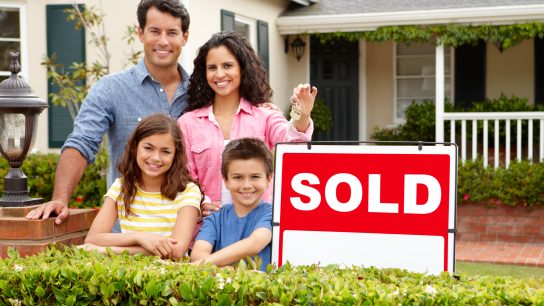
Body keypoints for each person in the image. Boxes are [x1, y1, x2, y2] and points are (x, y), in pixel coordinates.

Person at [26, 0, 191, 224]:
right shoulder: (111, 89)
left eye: (172, 32)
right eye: (155, 31)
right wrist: (60, 199)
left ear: (184, 37)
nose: (163, 41)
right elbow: (82, 142)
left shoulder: (201, 93)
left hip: (190, 235)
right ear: (141, 34)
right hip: (126, 236)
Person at [178, 31, 318, 214]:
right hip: (208, 230)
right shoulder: (188, 123)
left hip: (257, 229)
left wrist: (302, 113)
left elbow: (294, 144)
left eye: (227, 65)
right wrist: (200, 203)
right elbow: (185, 178)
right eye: (212, 67)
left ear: (242, 69)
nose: (219, 74)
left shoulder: (265, 115)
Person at [80, 114, 201, 258]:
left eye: (165, 151)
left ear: (176, 155)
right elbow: (93, 238)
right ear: (135, 147)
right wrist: (140, 237)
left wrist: (110, 250)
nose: (156, 158)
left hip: (169, 276)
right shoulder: (122, 186)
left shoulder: (188, 191)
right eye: (148, 148)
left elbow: (176, 251)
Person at [190, 137, 273, 271]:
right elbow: (198, 254)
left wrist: (197, 266)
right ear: (226, 181)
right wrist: (221, 270)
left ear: (268, 179)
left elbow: (255, 244)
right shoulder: (216, 216)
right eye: (238, 177)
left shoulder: (271, 213)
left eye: (255, 177)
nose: (246, 185)